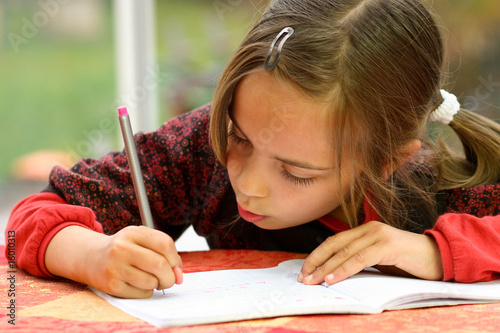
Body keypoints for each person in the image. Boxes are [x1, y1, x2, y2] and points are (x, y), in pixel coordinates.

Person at [6, 0, 500, 299]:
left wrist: (435, 251)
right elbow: (37, 212)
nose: (247, 182)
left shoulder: (423, 189)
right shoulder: (200, 149)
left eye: (297, 172)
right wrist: (90, 256)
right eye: (239, 137)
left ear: (385, 160)